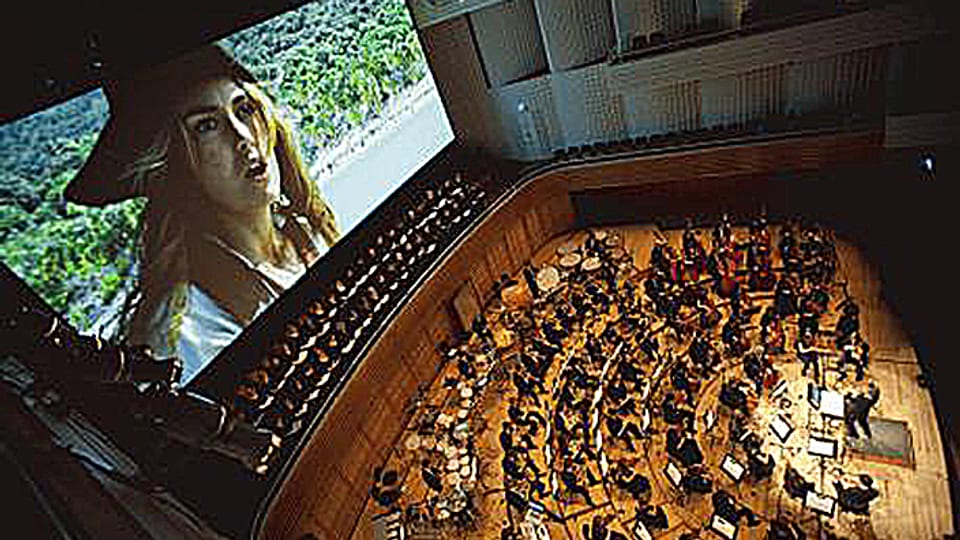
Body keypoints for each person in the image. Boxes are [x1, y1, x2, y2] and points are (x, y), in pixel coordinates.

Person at [65, 44, 341, 383]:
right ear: (174, 164)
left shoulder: (305, 234)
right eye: (206, 126)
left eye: (245, 109)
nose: (243, 138)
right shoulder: (189, 329)